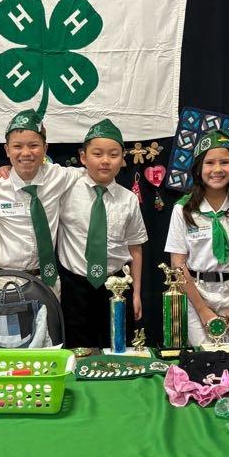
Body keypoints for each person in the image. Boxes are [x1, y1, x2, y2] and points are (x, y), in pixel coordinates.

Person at [164, 130, 229, 347]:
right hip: (196, 294)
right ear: (199, 168)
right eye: (209, 162)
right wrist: (202, 310)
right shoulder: (183, 209)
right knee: (204, 361)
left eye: (225, 162)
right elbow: (177, 264)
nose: (218, 169)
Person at [58, 119, 147, 348]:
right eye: (97, 154)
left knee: (118, 348)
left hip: (116, 285)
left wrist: (136, 292)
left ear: (122, 159)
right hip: (75, 286)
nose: (105, 161)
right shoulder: (66, 189)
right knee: (78, 352)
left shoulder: (128, 199)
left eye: (113, 154)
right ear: (83, 157)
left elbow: (135, 249)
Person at [0, 110, 82, 293]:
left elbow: (91, 174)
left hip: (47, 279)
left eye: (33, 145)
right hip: (5, 281)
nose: (26, 153)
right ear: (7, 150)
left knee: (51, 322)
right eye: (17, 146)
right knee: (8, 323)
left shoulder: (57, 176)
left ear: (45, 149)